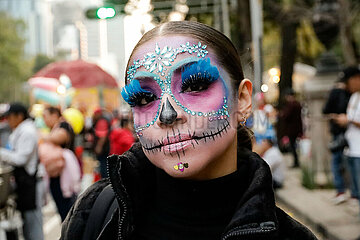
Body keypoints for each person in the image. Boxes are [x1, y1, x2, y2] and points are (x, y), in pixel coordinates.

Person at [60, 21, 317, 240]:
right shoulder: (95, 213)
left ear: (242, 99)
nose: (167, 115)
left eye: (195, 86)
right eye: (143, 99)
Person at [0, 103, 44, 240]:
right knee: (27, 227)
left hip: (31, 184)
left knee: (34, 226)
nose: (8, 120)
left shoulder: (27, 132)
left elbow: (20, 159)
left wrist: (1, 153)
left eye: (10, 117)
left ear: (19, 116)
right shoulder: (20, 130)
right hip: (24, 184)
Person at [333, 66, 360, 215]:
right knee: (356, 191)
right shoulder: (354, 96)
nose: (346, 86)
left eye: (348, 81)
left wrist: (348, 120)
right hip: (351, 149)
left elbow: (352, 118)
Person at [42, 106, 76, 221]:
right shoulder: (54, 128)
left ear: (55, 115)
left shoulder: (63, 126)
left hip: (63, 175)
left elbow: (59, 138)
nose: (44, 120)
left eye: (45, 116)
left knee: (67, 208)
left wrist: (41, 136)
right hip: (57, 174)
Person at [323, 71, 351, 204]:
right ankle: (346, 191)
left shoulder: (339, 92)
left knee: (338, 162)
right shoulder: (348, 93)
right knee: (343, 162)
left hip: (342, 133)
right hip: (344, 133)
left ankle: (342, 191)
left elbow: (326, 110)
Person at [279, 89, 303, 168]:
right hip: (296, 128)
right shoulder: (297, 104)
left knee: (292, 146)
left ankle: (296, 162)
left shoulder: (291, 105)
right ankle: (296, 161)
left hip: (291, 129)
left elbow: (286, 116)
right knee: (293, 146)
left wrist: (282, 114)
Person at [91, 108, 111, 178]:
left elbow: (103, 136)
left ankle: (105, 181)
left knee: (103, 165)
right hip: (104, 147)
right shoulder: (101, 120)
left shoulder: (101, 121)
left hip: (103, 148)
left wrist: (99, 147)